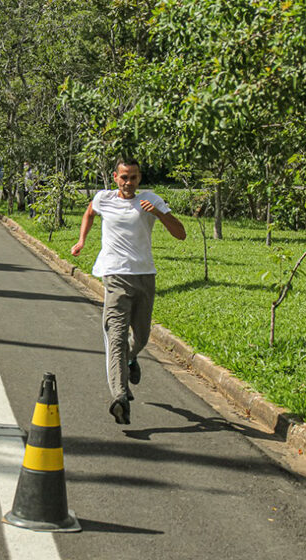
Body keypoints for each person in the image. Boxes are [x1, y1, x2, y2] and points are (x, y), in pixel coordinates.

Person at [71, 157, 186, 425]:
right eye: (124, 177)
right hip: (115, 276)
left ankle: (131, 359)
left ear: (140, 178)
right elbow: (89, 212)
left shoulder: (151, 200)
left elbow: (180, 234)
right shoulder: (104, 198)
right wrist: (81, 241)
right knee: (117, 336)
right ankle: (120, 397)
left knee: (142, 337)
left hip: (145, 276)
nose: (128, 183)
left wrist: (157, 213)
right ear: (115, 177)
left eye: (133, 178)